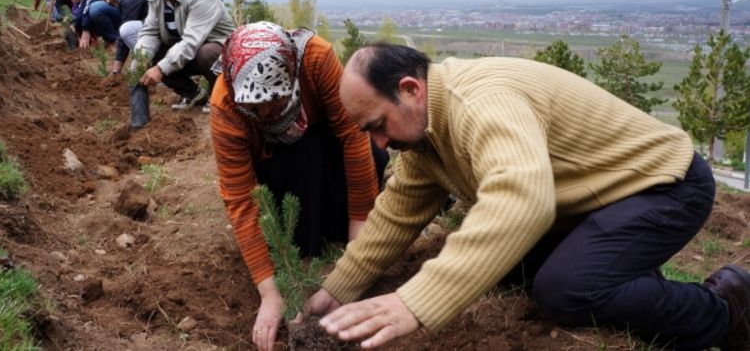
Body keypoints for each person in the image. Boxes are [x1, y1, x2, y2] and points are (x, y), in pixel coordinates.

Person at [303, 44, 750, 351]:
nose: (379, 144)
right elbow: (396, 215)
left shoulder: (479, 102)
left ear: (409, 90)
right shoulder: (426, 133)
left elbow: (523, 198)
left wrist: (413, 303)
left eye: (378, 125)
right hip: (593, 201)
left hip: (662, 183)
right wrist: (336, 292)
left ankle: (726, 309)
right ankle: (623, 273)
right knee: (505, 266)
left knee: (564, 291)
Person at [209, 22, 388, 351]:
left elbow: (352, 137)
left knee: (374, 158)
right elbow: (240, 199)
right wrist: (270, 294)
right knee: (303, 159)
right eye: (256, 108)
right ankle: (309, 238)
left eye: (275, 103)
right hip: (282, 173)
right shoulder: (226, 105)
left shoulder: (316, 58)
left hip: (327, 151)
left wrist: (357, 252)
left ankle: (344, 224)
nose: (265, 114)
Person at [133, 0, 234, 112]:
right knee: (153, 55)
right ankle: (193, 93)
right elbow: (150, 32)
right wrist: (140, 57)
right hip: (188, 50)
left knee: (206, 53)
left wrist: (160, 69)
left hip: (221, 52)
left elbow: (191, 42)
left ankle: (221, 94)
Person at [94, 0, 150, 75]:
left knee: (126, 30)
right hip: (159, 29)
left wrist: (116, 70)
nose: (107, 1)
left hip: (163, 32)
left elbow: (123, 38)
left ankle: (147, 64)